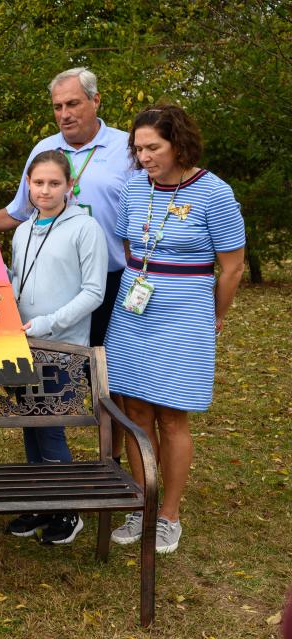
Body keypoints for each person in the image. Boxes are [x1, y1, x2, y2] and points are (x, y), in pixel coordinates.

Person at [0, 67, 136, 463]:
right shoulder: (44, 151)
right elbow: (18, 213)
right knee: (39, 394)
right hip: (47, 290)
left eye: (73, 104)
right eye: (57, 106)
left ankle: (107, 461)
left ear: (95, 101)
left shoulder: (128, 148)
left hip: (111, 280)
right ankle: (46, 485)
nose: (64, 113)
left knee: (106, 381)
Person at [105, 104, 245, 554]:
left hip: (185, 313)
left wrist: (215, 314)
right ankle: (140, 504)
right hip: (133, 309)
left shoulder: (214, 192)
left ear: (178, 143)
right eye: (138, 148)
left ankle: (169, 515)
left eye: (153, 147)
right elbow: (131, 244)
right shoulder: (133, 188)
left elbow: (232, 266)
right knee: (134, 412)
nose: (144, 156)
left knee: (171, 414)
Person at [6, 150, 108, 544]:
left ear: (69, 186)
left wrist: (48, 323)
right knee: (30, 426)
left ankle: (67, 509)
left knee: (50, 428)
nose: (45, 190)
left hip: (62, 347)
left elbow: (94, 292)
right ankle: (40, 498)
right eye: (37, 183)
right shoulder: (23, 230)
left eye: (54, 183)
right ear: (27, 186)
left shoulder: (85, 229)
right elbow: (19, 278)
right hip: (23, 344)